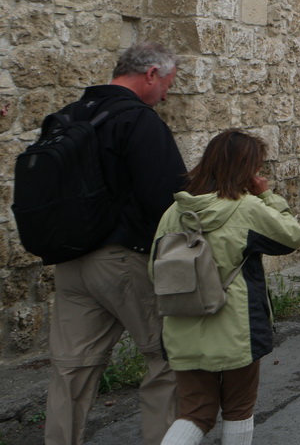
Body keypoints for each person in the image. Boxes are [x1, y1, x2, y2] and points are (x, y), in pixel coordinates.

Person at [45, 42, 187, 445]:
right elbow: (167, 199)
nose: (166, 96)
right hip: (124, 260)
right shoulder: (139, 121)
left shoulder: (66, 117)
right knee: (166, 358)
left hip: (69, 262)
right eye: (168, 85)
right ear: (151, 75)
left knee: (71, 367)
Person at [152, 130, 300, 445]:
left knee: (195, 413)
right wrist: (267, 196)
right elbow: (292, 237)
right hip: (237, 328)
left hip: (182, 326)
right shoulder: (246, 208)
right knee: (238, 409)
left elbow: (154, 270)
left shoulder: (175, 211)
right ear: (246, 170)